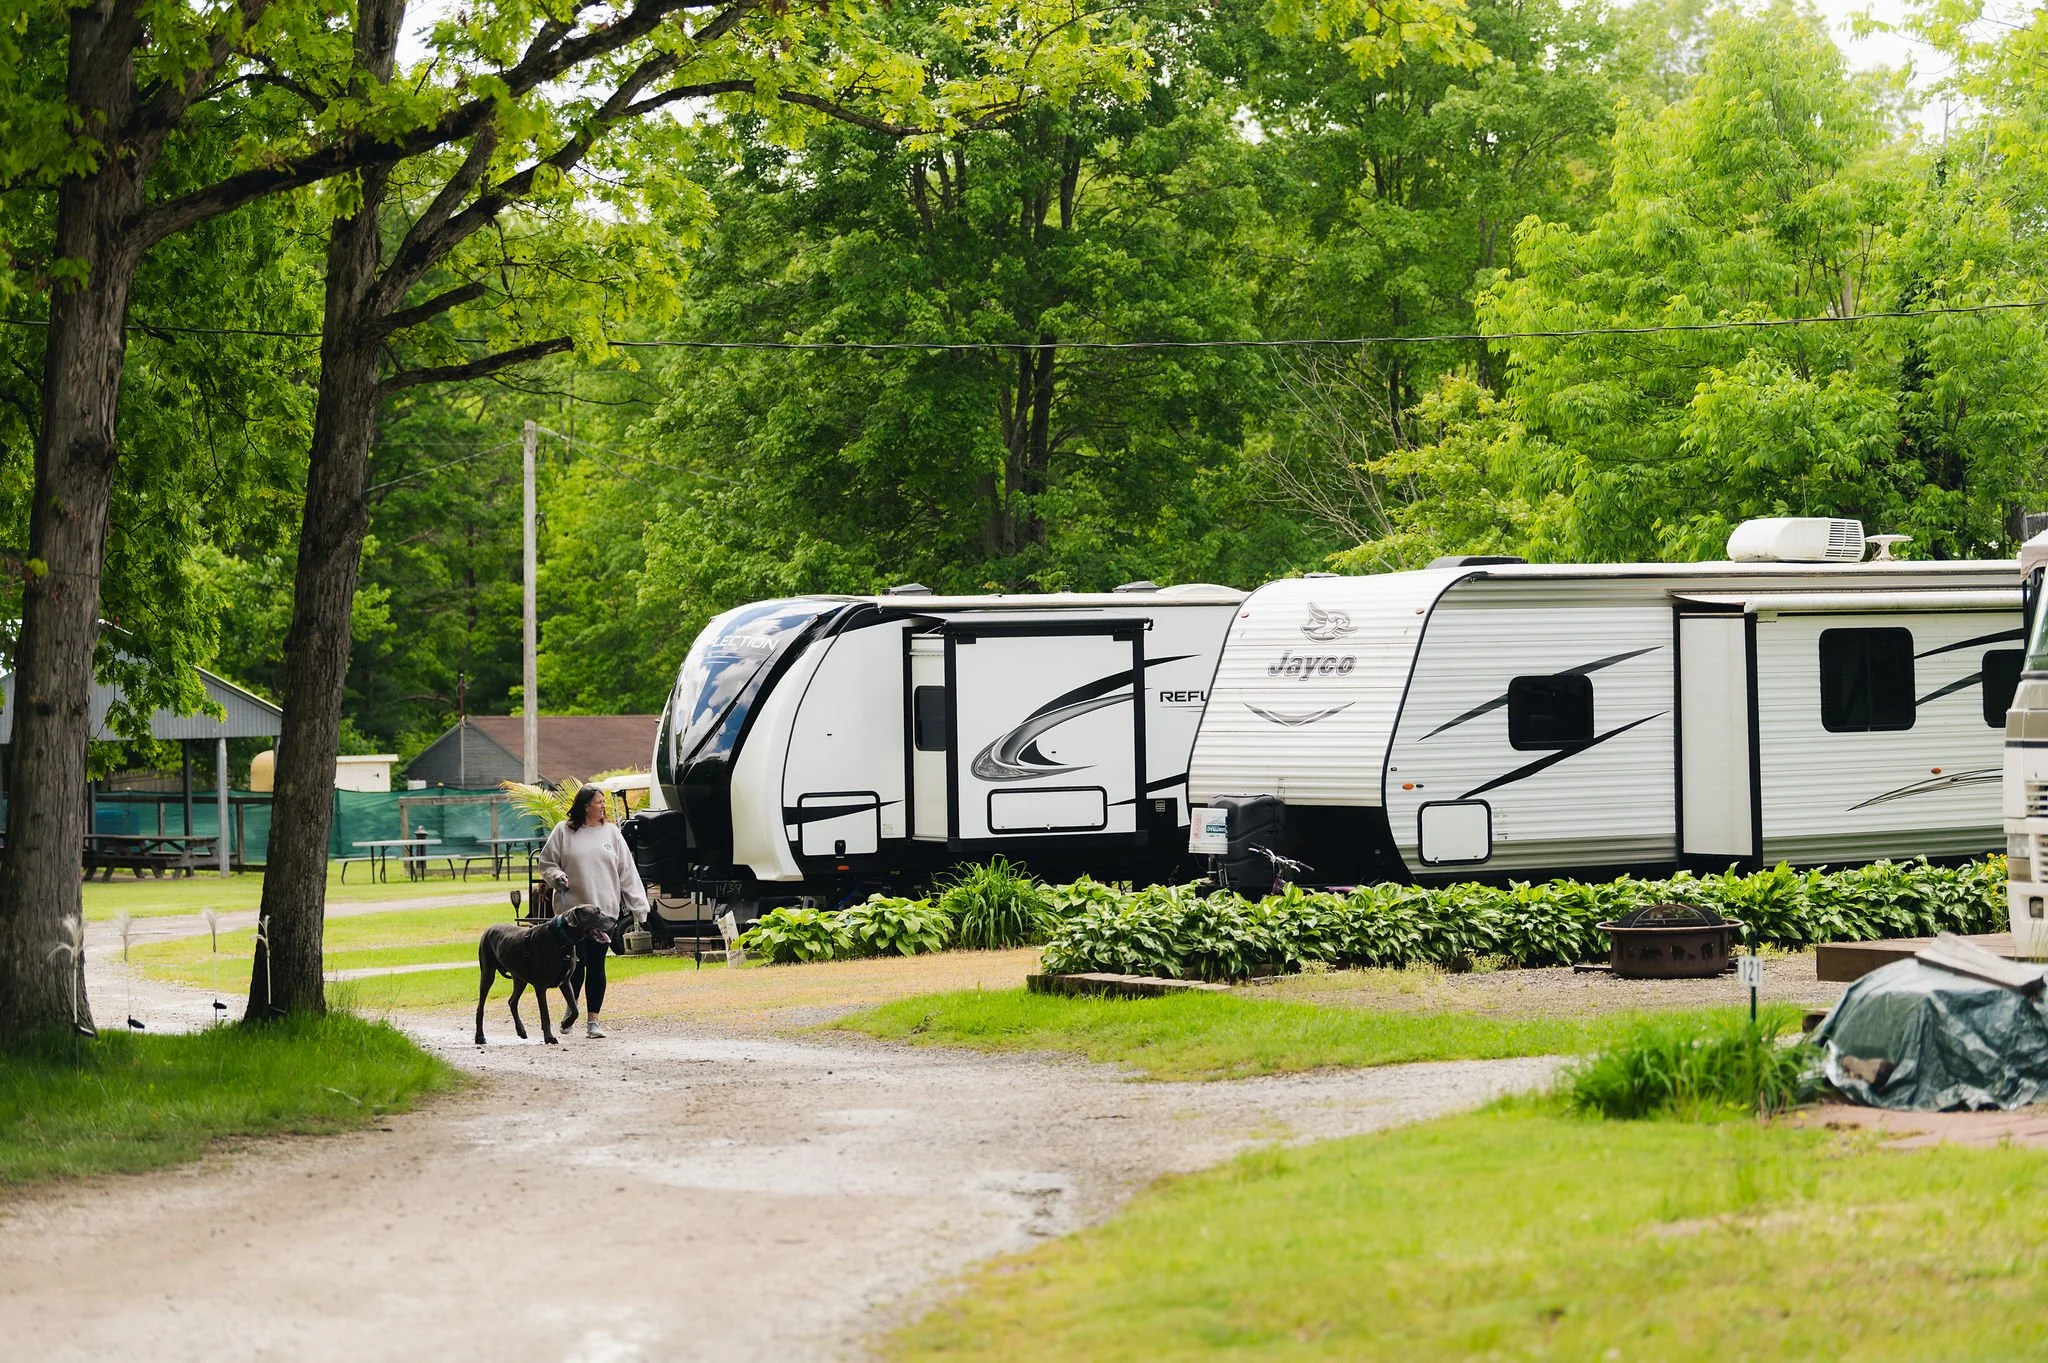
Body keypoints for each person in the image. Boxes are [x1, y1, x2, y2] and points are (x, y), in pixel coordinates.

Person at [535, 785, 649, 1038]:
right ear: (585, 805)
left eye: (603, 802)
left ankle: (593, 1022)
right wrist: (557, 875)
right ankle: (571, 1010)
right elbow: (546, 863)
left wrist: (641, 909)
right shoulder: (563, 832)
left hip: (603, 913)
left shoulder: (611, 833)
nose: (603, 806)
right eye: (599, 802)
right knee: (577, 965)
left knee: (597, 965)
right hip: (572, 916)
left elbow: (627, 873)